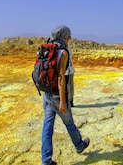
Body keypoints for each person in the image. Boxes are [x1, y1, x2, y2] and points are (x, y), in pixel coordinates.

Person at [41, 25, 89, 165]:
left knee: (47, 127)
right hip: (58, 95)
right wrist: (63, 101)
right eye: (68, 35)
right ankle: (79, 145)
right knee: (69, 123)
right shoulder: (62, 51)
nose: (70, 38)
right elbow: (61, 78)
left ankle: (46, 160)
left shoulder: (48, 47)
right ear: (64, 36)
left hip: (47, 94)